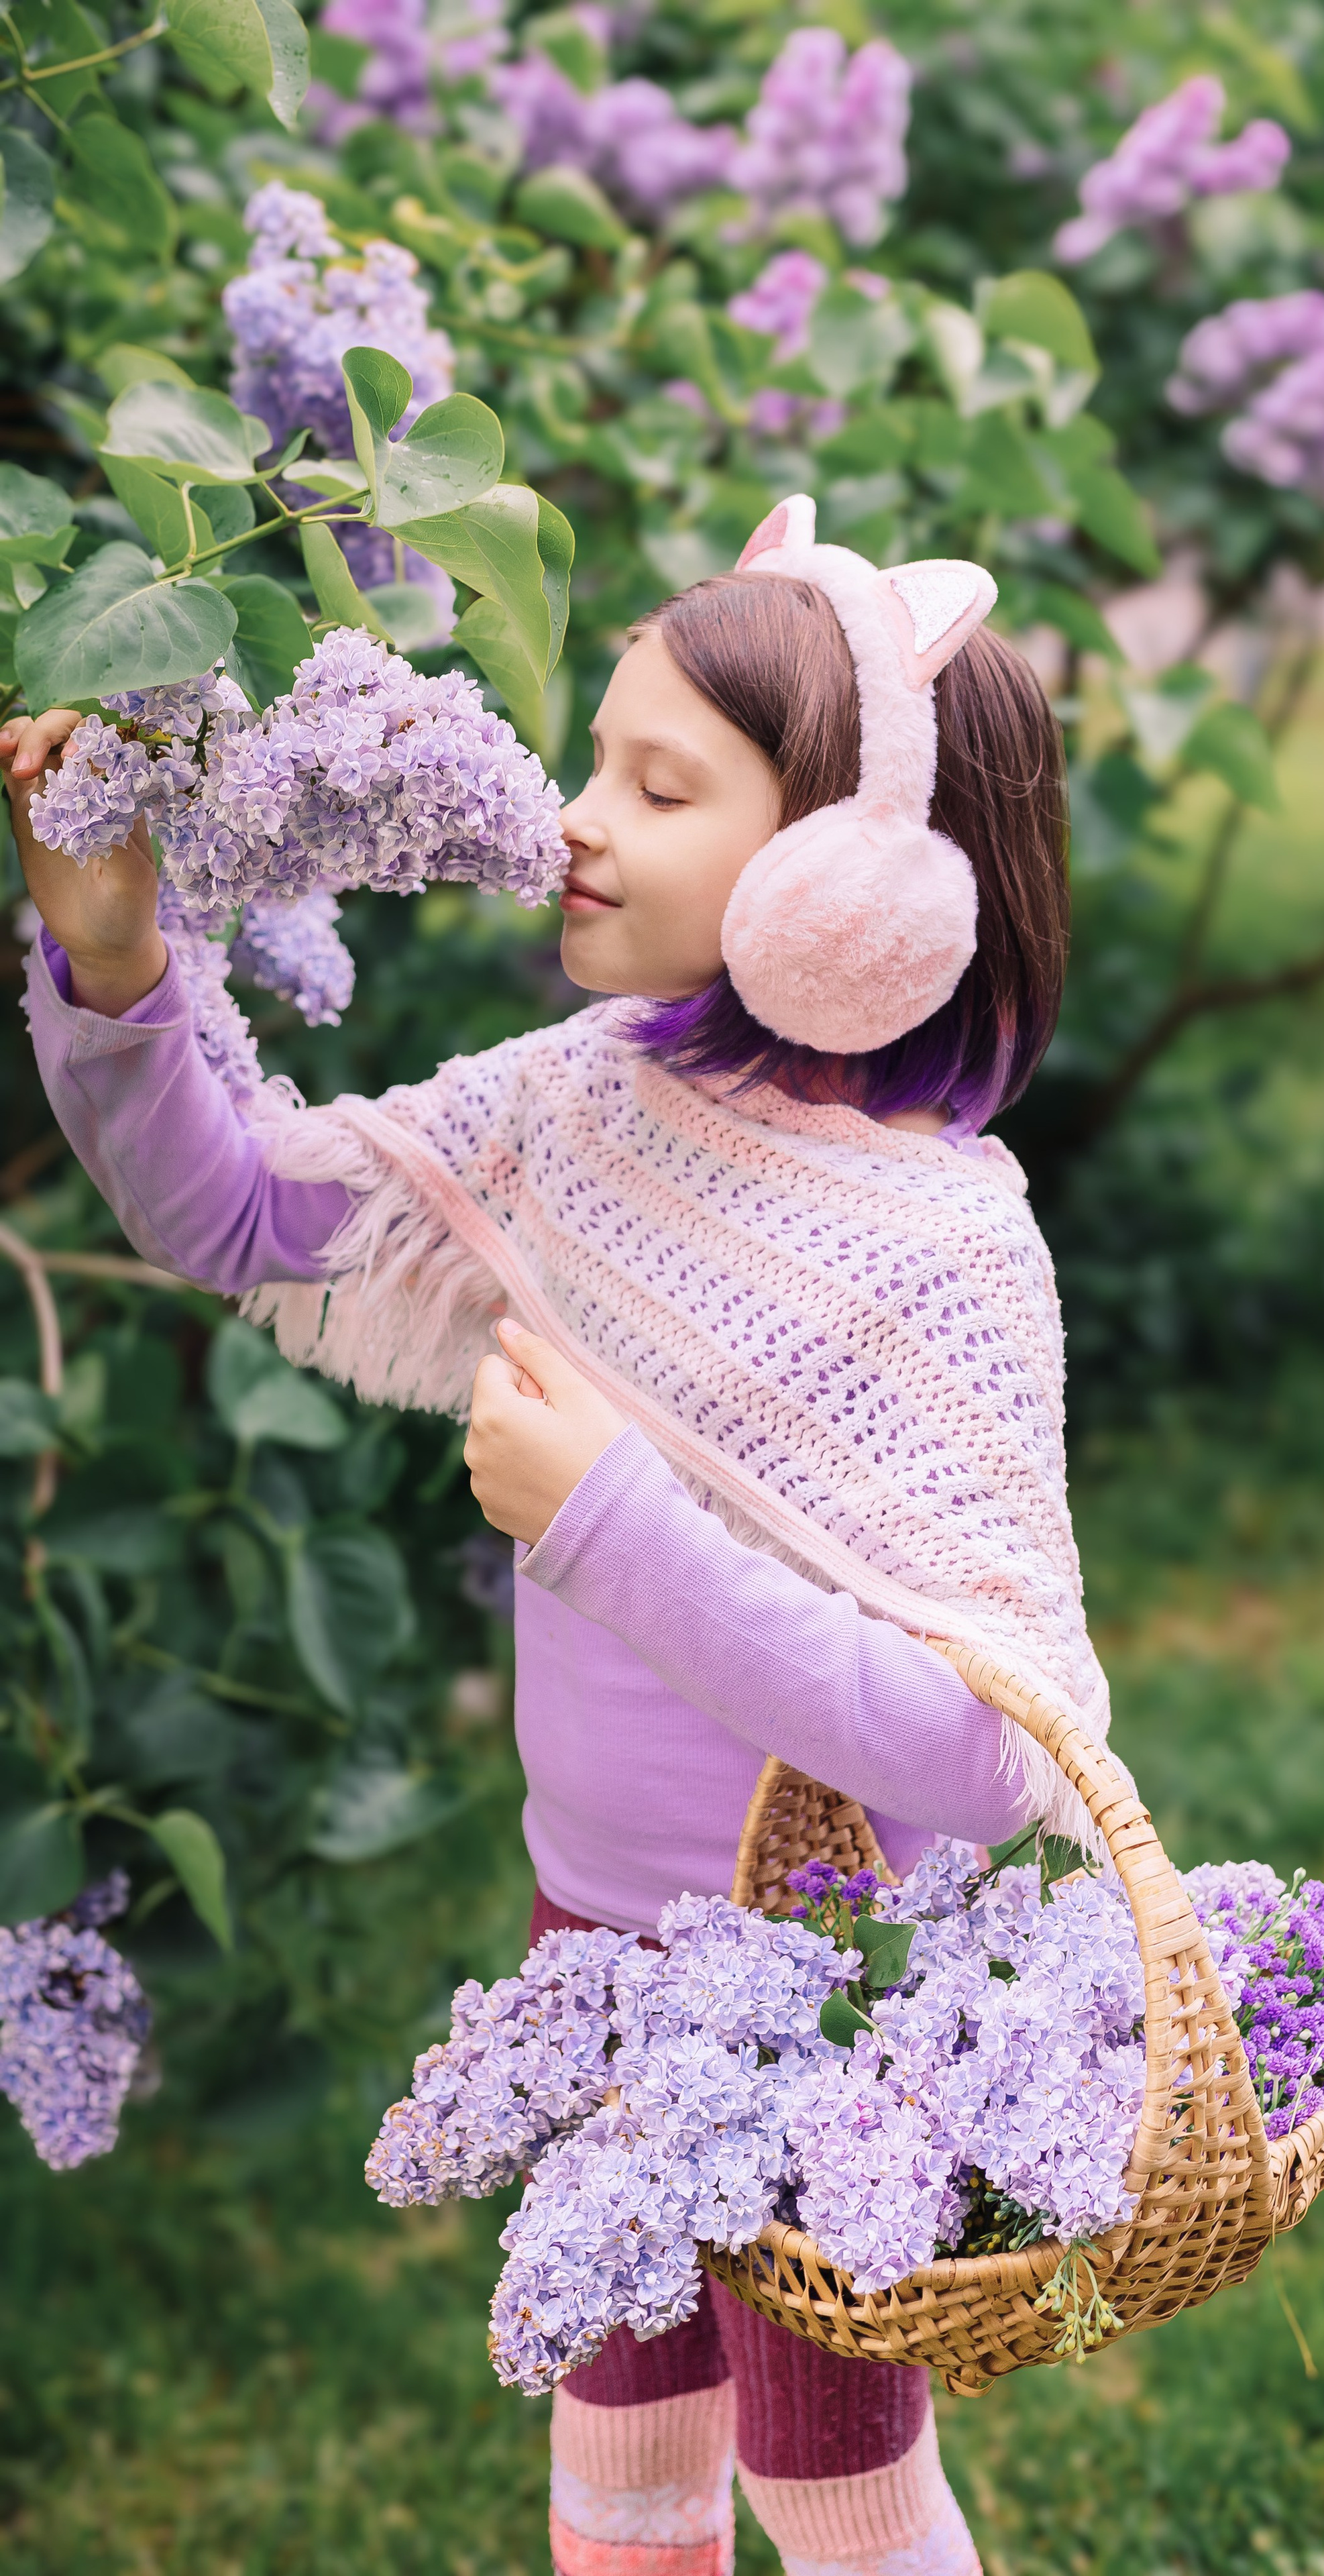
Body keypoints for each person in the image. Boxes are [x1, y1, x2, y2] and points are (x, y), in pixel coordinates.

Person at [4, 498, 1107, 2576]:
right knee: (617, 2458)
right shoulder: (585, 1101)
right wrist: (118, 952)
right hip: (585, 1943)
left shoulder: (949, 1247)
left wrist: (608, 1525)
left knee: (833, 2475)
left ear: (848, 880)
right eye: (594, 755)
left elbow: (989, 1751)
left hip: (828, 1996)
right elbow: (241, 1215)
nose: (574, 817)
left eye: (660, 785)